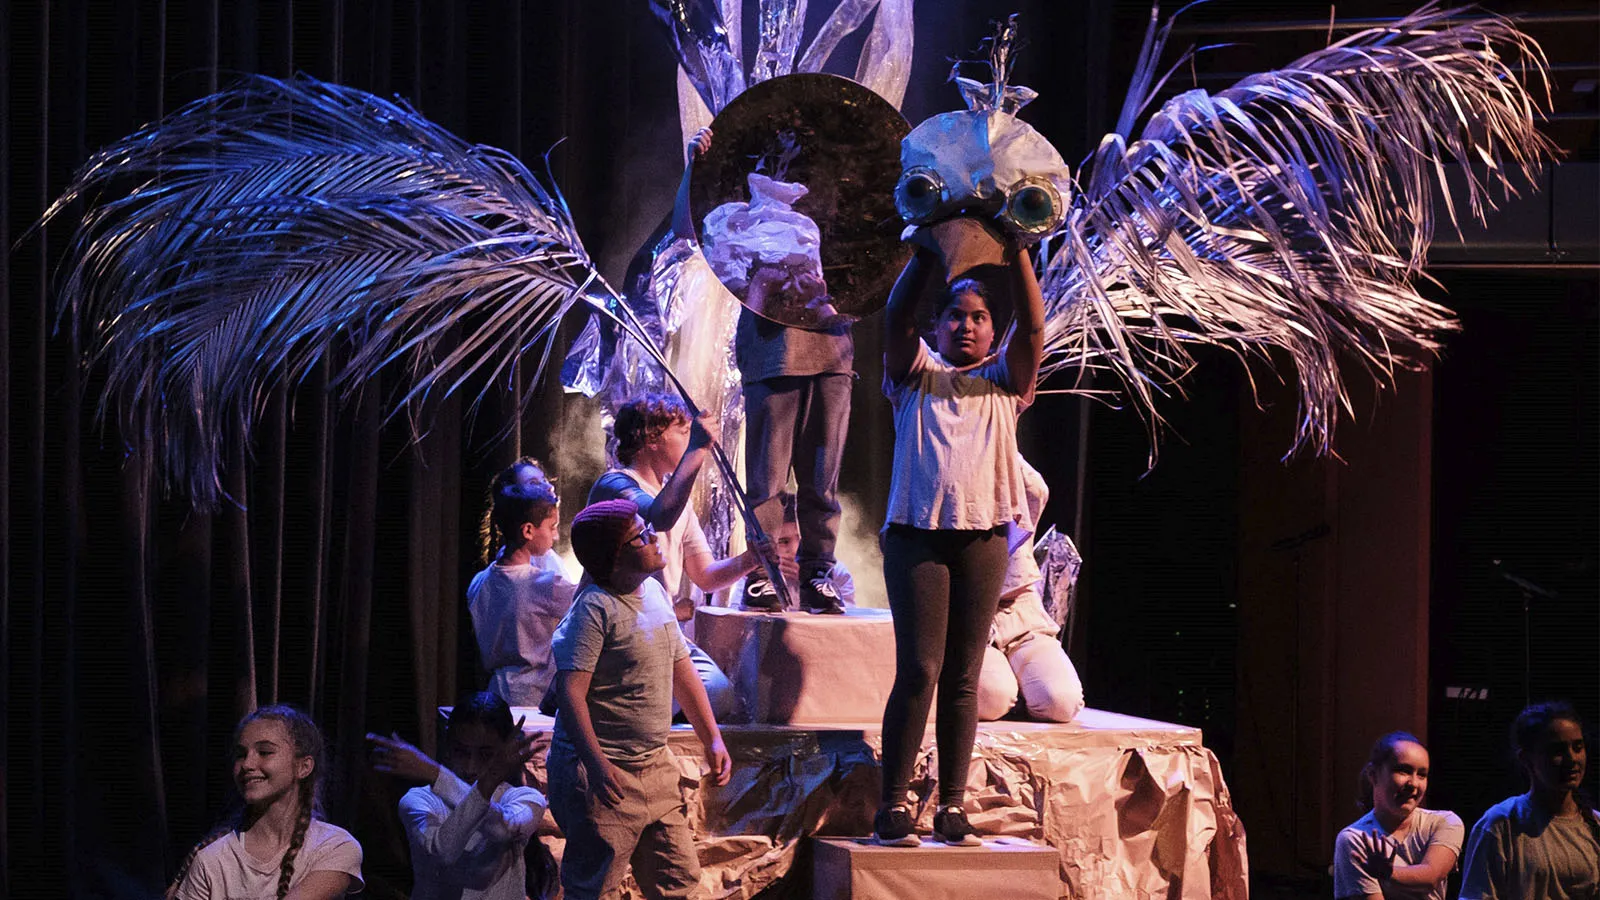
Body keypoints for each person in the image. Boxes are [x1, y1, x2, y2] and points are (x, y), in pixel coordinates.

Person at [872, 241, 1045, 847]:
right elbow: (894, 318)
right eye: (955, 316)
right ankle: (892, 805)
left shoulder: (1006, 380)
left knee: (965, 677)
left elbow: (1035, 324)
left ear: (993, 330)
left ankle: (951, 806)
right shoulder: (915, 373)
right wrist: (926, 252)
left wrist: (1018, 250)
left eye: (978, 318)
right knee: (920, 668)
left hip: (983, 539)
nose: (966, 326)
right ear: (938, 326)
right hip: (917, 537)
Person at [694, 129, 853, 615]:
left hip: (830, 354)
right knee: (766, 479)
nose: (787, 170)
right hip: (772, 351)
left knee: (822, 479)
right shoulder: (732, 220)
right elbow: (709, 252)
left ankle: (819, 573)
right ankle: (762, 572)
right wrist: (693, 167)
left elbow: (831, 293)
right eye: (777, 159)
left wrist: (827, 302)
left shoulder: (811, 226)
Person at [547, 499, 733, 900]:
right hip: (607, 777)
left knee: (677, 880)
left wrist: (711, 737)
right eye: (640, 536)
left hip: (654, 768)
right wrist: (596, 765)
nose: (653, 537)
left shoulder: (652, 591)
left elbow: (682, 669)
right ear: (615, 557)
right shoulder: (595, 609)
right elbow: (570, 692)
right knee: (596, 886)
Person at [589, 392, 771, 718]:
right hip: (622, 629)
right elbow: (658, 515)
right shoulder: (615, 484)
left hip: (662, 631)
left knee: (719, 697)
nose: (690, 436)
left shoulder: (678, 501)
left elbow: (705, 575)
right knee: (668, 699)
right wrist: (698, 449)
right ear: (651, 438)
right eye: (682, 430)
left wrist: (749, 559)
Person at [169, 705, 363, 900]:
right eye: (241, 754)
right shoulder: (211, 860)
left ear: (303, 767)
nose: (247, 764)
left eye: (264, 752)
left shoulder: (334, 846)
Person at [368, 692, 545, 900]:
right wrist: (445, 779)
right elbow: (444, 853)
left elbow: (501, 830)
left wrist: (437, 774)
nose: (470, 767)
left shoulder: (524, 799)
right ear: (448, 746)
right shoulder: (419, 800)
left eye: (486, 755)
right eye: (462, 752)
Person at [976, 457, 1084, 723]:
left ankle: (1022, 688)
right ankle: (1009, 687)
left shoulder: (1012, 474)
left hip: (1021, 614)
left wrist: (1001, 433)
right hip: (970, 621)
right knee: (992, 699)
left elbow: (1036, 489)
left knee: (1061, 702)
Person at [1459, 701, 1600, 899]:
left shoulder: (1594, 824)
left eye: (1578, 747)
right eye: (1557, 751)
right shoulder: (1501, 824)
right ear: (1526, 759)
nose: (1572, 759)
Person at [468, 476, 577, 707]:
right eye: (552, 527)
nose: (555, 536)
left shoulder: (479, 582)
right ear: (528, 530)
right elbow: (588, 600)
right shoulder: (543, 584)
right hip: (535, 699)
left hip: (497, 695)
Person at [1330, 731, 1463, 900]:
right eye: (1403, 771)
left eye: (1422, 774)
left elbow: (1431, 876)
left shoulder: (1444, 822)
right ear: (1373, 775)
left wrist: (1388, 873)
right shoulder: (1355, 839)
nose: (1414, 783)